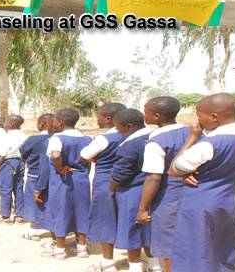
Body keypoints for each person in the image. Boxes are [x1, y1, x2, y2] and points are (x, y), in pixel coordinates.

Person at [169, 93, 235, 272]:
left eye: (199, 115)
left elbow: (174, 170)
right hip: (226, 198)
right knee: (223, 247)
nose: (198, 120)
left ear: (214, 117)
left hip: (198, 201)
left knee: (195, 249)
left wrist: (192, 137)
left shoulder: (208, 144)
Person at [136, 96, 185, 272]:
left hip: (168, 196)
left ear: (157, 116)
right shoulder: (195, 133)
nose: (144, 115)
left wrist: (143, 208)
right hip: (193, 194)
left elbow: (154, 178)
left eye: (146, 112)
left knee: (169, 245)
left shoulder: (156, 141)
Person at [78, 102, 127, 272]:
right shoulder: (133, 136)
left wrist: (95, 159)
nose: (96, 119)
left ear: (108, 119)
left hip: (106, 182)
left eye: (98, 116)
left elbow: (83, 156)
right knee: (128, 218)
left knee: (106, 220)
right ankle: (138, 260)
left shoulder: (104, 138)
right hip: (129, 182)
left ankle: (107, 262)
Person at [109, 109, 158, 272]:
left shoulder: (130, 144)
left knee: (132, 229)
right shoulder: (155, 137)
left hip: (133, 191)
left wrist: (112, 186)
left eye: (117, 127)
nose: (117, 130)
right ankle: (155, 265)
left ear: (129, 126)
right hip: (154, 190)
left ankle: (135, 266)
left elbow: (121, 172)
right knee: (149, 230)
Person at [42, 108, 91, 260]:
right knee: (82, 210)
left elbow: (56, 154)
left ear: (61, 122)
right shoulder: (87, 139)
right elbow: (88, 160)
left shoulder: (57, 138)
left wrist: (60, 168)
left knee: (60, 209)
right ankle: (82, 246)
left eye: (55, 120)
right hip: (81, 177)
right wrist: (84, 173)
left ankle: (60, 248)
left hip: (62, 179)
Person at [19, 113, 54, 241]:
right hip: (55, 176)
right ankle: (54, 233)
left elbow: (22, 153)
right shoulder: (58, 138)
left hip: (35, 175)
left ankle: (33, 231)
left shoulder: (33, 140)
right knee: (51, 202)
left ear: (41, 124)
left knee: (33, 202)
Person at [0, 115, 28, 224]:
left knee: (5, 189)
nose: (4, 123)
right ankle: (19, 215)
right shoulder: (24, 136)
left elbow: (2, 154)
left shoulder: (7, 137)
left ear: (12, 124)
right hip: (20, 162)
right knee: (18, 188)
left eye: (6, 121)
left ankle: (5, 216)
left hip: (7, 162)